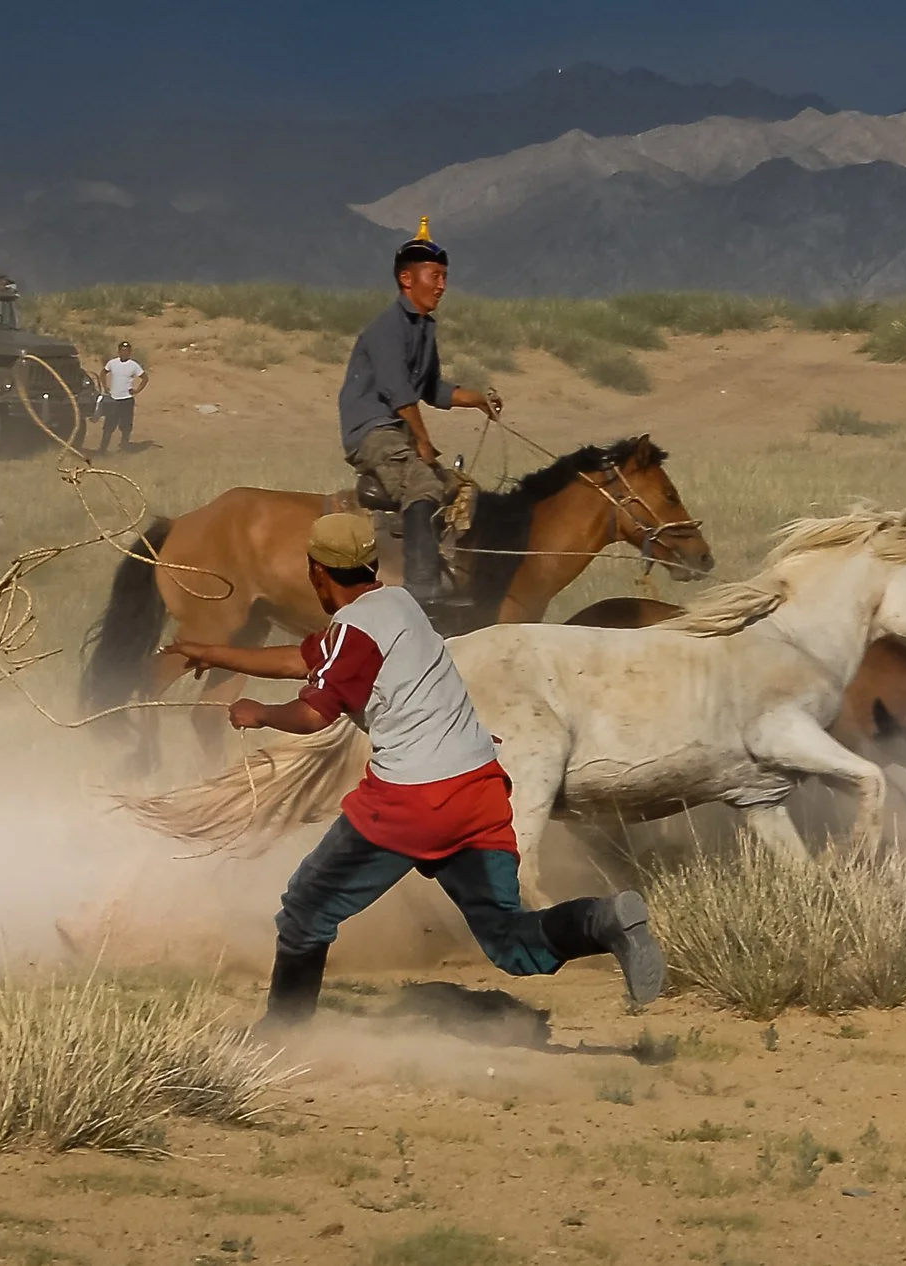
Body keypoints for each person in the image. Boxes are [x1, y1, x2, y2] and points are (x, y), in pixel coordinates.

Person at [164, 513, 663, 1030]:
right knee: (510, 940)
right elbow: (306, 659)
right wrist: (214, 653)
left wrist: (258, 714)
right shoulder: (399, 606)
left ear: (316, 572)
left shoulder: (353, 631)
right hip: (481, 792)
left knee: (305, 911)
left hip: (412, 802)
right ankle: (602, 920)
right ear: (371, 564)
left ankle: (283, 1037)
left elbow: (313, 714)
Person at [339, 220, 500, 607]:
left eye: (445, 277)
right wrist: (424, 443)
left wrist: (477, 398)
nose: (443, 285)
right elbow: (399, 393)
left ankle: (439, 565)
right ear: (408, 280)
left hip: (397, 428)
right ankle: (422, 586)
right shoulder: (388, 329)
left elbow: (430, 388)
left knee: (459, 491)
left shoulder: (423, 328)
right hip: (373, 430)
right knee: (423, 486)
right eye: (436, 276)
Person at [98, 341, 148, 454]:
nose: (124, 353)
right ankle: (102, 450)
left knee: (126, 425)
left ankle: (124, 448)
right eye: (122, 350)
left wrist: (136, 390)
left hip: (127, 400)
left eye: (127, 351)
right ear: (119, 351)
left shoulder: (133, 365)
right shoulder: (112, 363)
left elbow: (145, 378)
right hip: (113, 400)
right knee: (108, 426)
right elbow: (103, 373)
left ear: (130, 352)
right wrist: (105, 387)